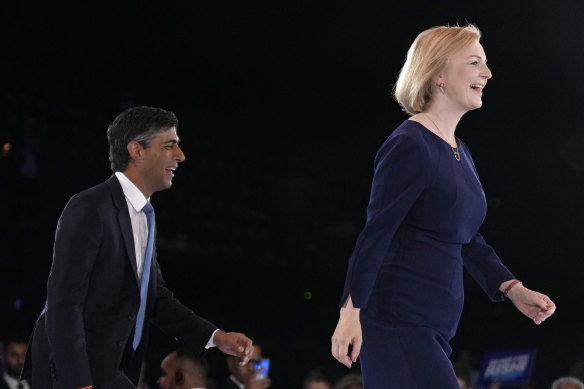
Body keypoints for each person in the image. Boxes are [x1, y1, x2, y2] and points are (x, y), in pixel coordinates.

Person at [330, 24, 556, 388]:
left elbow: (466, 237)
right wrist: (349, 312)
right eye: (474, 62)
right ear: (438, 75)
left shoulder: (459, 150)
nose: (487, 72)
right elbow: (376, 234)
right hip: (397, 321)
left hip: (435, 328)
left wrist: (512, 288)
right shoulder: (409, 144)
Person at [21, 106, 254, 388]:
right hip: (69, 372)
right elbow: (63, 304)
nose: (181, 156)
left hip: (106, 368)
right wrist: (77, 382)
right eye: (170, 146)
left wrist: (217, 337)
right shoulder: (89, 208)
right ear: (137, 151)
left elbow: (156, 300)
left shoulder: (145, 216)